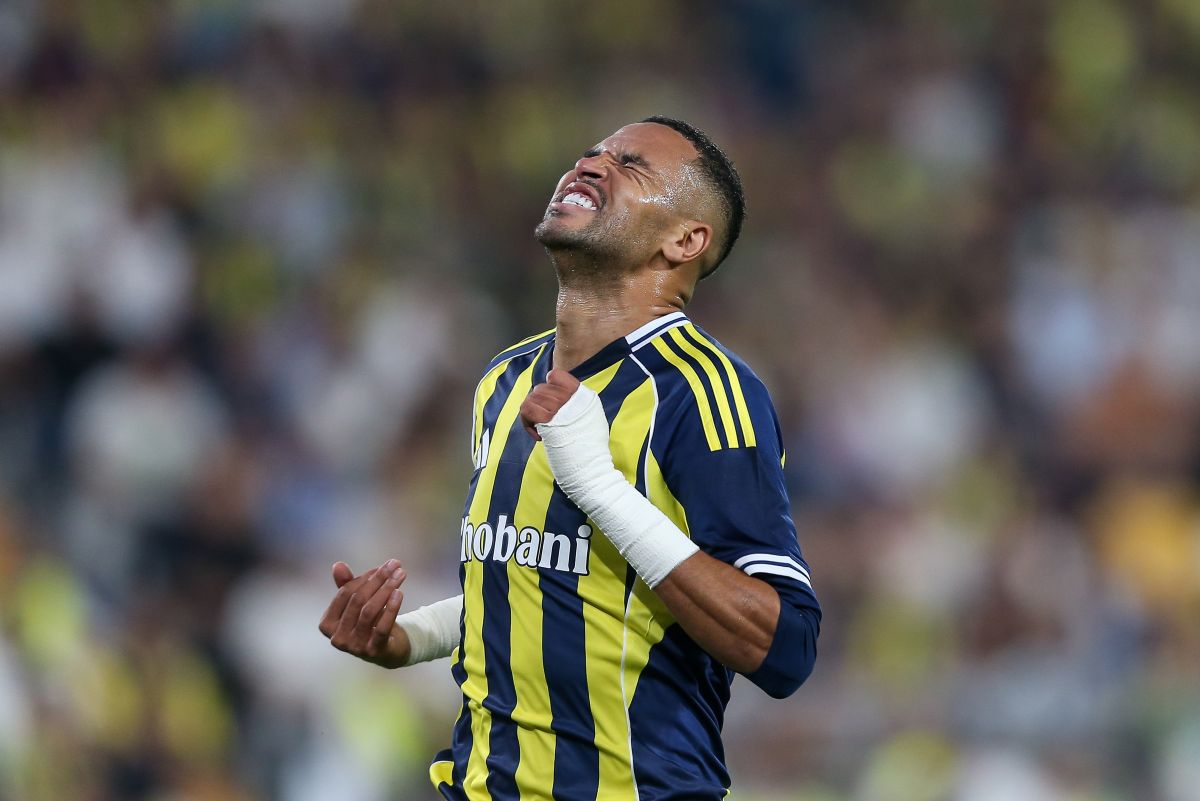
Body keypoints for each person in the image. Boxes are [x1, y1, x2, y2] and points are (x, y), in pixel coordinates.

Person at [318, 116, 820, 801]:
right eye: (590, 153)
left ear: (685, 240)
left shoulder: (704, 392)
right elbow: (545, 584)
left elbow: (784, 644)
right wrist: (407, 638)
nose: (589, 165)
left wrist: (601, 488)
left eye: (631, 165)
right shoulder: (504, 378)